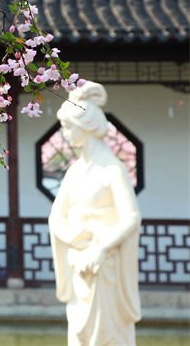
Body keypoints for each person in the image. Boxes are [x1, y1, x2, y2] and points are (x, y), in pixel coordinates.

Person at [48, 82, 141, 346]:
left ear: (86, 126)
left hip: (104, 264)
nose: (65, 134)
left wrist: (101, 248)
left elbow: (131, 217)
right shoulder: (75, 172)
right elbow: (56, 217)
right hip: (79, 262)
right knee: (80, 335)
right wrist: (73, 237)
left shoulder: (112, 169)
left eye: (68, 127)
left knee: (106, 333)